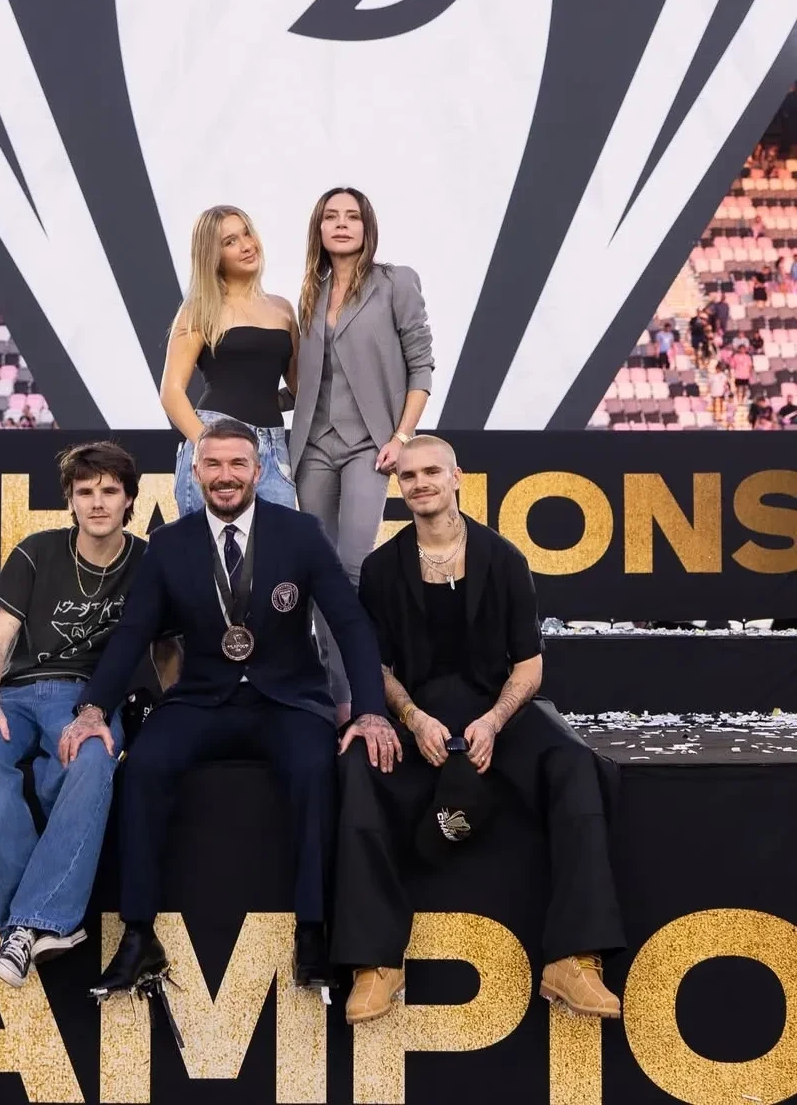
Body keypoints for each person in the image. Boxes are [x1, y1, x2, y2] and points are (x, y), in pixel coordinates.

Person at [60, 419, 396, 999]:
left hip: (288, 700)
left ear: (258, 471)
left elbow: (350, 625)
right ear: (195, 472)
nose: (225, 475)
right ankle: (138, 935)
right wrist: (92, 709)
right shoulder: (169, 544)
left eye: (238, 463)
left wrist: (369, 710)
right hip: (201, 698)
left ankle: (313, 933)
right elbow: (133, 633)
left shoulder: (301, 533)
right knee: (142, 769)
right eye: (213, 464)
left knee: (315, 769)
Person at [331, 435, 625, 1024]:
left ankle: (573, 958)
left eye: (431, 472)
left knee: (574, 765)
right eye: (409, 476)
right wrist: (412, 718)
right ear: (399, 486)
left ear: (457, 477)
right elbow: (377, 668)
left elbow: (529, 667)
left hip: (498, 712)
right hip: (419, 715)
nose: (420, 483)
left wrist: (492, 721)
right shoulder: (382, 569)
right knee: (358, 769)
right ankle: (375, 963)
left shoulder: (504, 558)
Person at [0, 443, 174, 988]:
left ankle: (24, 929)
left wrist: (178, 706)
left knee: (91, 760)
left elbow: (166, 648)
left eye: (110, 491)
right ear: (70, 499)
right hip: (17, 695)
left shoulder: (147, 562)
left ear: (130, 499)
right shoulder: (37, 551)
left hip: (90, 700)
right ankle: (40, 922)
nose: (97, 502)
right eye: (85, 492)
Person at [291, 187, 433, 720]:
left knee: (350, 566)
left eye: (352, 216)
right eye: (331, 216)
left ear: (367, 227)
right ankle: (334, 695)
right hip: (312, 446)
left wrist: (402, 436)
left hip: (370, 446)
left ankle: (357, 696)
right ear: (319, 228)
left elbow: (421, 364)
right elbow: (306, 381)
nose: (342, 224)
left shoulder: (396, 282)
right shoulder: (310, 291)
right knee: (316, 570)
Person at [160, 206, 298, 516]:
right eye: (230, 241)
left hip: (272, 449)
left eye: (247, 233)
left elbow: (300, 389)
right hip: (213, 438)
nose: (246, 245)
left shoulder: (283, 309)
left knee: (278, 543)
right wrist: (208, 446)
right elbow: (171, 392)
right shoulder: (199, 309)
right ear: (213, 255)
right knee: (205, 546)